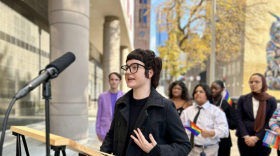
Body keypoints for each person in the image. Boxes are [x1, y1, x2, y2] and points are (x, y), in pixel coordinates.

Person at [100, 49, 192, 156]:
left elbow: (184, 146)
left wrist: (156, 150)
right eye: (127, 67)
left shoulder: (165, 107)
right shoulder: (121, 103)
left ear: (150, 72)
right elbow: (111, 136)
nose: (128, 72)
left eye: (134, 67)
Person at [181, 83, 229, 156]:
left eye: (201, 92)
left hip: (209, 150)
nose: (197, 93)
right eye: (196, 92)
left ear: (207, 94)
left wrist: (211, 133)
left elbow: (225, 131)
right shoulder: (187, 111)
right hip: (190, 150)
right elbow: (180, 129)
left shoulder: (216, 111)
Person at [236, 73, 277, 156]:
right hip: (245, 140)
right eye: (251, 82)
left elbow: (271, 122)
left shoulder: (271, 100)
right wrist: (246, 136)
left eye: (256, 82)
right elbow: (239, 119)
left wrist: (256, 138)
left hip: (263, 139)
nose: (253, 84)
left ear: (263, 83)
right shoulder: (243, 99)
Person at [96, 72, 125, 142]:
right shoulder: (102, 96)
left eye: (116, 79)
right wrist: (98, 132)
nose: (114, 82)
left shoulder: (124, 96)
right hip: (105, 130)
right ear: (109, 81)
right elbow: (99, 115)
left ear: (120, 82)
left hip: (119, 130)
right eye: (112, 79)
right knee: (104, 152)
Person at [211, 80, 237, 156]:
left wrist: (222, 116)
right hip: (208, 140)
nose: (213, 90)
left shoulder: (227, 103)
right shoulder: (207, 102)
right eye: (211, 88)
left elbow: (234, 124)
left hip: (223, 142)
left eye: (216, 88)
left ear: (222, 89)